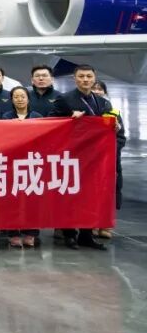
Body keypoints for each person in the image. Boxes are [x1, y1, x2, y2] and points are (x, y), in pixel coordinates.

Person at [52, 64, 121, 250]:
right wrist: (69, 118)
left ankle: (86, 234)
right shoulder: (65, 99)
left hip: (95, 157)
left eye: (88, 76)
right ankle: (69, 235)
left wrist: (115, 127)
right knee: (70, 196)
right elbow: (51, 123)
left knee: (91, 196)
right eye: (81, 76)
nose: (85, 80)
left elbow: (112, 124)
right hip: (72, 156)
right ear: (74, 78)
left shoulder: (102, 102)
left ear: (94, 77)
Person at [3, 86, 42, 249]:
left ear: (28, 98)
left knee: (32, 199)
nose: (20, 99)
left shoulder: (37, 117)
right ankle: (13, 233)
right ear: (12, 100)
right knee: (12, 200)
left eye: (22, 96)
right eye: (16, 97)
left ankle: (30, 233)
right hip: (12, 164)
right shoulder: (6, 117)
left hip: (32, 163)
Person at [91, 80, 124, 241]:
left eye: (100, 89)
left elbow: (121, 137)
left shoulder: (113, 112)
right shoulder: (86, 111)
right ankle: (92, 224)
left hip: (108, 160)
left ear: (104, 92)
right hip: (90, 160)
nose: (97, 91)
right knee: (91, 192)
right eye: (94, 88)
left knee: (108, 192)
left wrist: (111, 149)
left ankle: (105, 225)